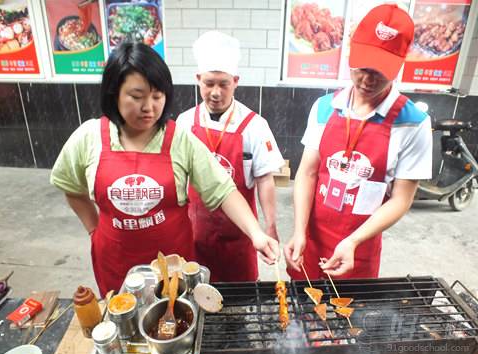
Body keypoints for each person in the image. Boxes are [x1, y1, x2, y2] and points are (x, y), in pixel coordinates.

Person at [50, 42, 279, 296]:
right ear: (114, 93)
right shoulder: (89, 136)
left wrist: (257, 233)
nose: (149, 107)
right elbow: (71, 187)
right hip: (115, 262)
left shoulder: (179, 138)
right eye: (137, 97)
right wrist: (94, 229)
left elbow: (224, 190)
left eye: (157, 96)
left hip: (174, 265)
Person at [285, 4, 432, 279]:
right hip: (312, 237)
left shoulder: (413, 122)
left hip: (360, 245)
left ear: (398, 66)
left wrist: (353, 241)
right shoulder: (324, 107)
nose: (367, 79)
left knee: (351, 316)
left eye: (380, 71)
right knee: (302, 311)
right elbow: (307, 172)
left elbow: (401, 198)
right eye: (362, 67)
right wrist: (298, 230)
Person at [176, 31, 285, 282]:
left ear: (235, 81)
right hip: (196, 231)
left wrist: (270, 225)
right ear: (198, 80)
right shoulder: (185, 123)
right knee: (197, 292)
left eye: (223, 84)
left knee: (242, 296)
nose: (215, 92)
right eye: (208, 83)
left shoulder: (254, 125)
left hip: (240, 233)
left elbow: (264, 180)